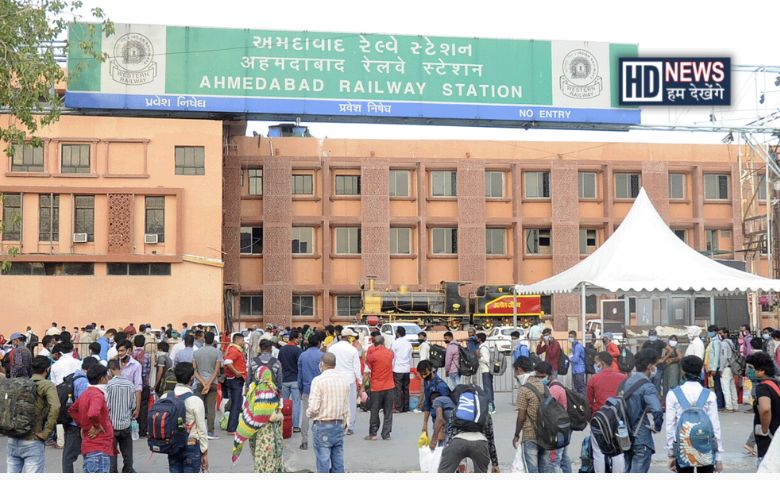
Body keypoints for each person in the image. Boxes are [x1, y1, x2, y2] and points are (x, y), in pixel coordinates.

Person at [664, 355, 723, 473]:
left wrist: (671, 453)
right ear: (701, 370)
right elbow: (715, 426)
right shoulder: (709, 395)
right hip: (706, 446)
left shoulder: (673, 394)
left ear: (682, 370)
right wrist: (719, 457)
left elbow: (670, 425)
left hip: (683, 447)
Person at [5, 355, 60, 473]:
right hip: (33, 439)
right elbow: (55, 407)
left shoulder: (20, 384)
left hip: (13, 437)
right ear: (47, 369)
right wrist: (46, 432)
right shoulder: (47, 385)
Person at [231, 365, 283, 473]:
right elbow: (272, 417)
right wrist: (281, 416)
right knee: (269, 462)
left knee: (258, 461)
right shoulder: (270, 390)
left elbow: (246, 410)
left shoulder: (252, 388)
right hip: (267, 434)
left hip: (254, 432)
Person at [306, 352, 350, 473]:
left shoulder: (318, 381)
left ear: (322, 364)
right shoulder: (344, 381)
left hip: (322, 425)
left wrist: (308, 414)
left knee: (323, 462)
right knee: (338, 461)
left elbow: (314, 407)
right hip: (338, 424)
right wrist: (346, 423)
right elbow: (346, 406)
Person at [622, 348, 664, 473]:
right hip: (641, 437)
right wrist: (657, 426)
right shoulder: (647, 386)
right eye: (655, 365)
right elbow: (657, 410)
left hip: (625, 436)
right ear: (650, 366)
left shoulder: (626, 382)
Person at [69, 364, 115, 473]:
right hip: (99, 446)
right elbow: (93, 413)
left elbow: (72, 410)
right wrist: (96, 426)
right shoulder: (97, 395)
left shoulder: (86, 393)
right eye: (107, 376)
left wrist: (83, 424)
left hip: (90, 445)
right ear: (102, 378)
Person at [586, 351, 627, 473]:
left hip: (599, 419)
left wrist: (591, 418)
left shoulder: (594, 379)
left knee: (598, 453)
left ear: (602, 363)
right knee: (619, 452)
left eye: (596, 363)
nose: (596, 365)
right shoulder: (623, 378)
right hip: (618, 419)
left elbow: (588, 402)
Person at [437, 394, 499, 473]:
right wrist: (495, 464)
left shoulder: (456, 410)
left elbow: (450, 434)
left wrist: (449, 453)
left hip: (457, 442)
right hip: (480, 444)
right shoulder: (485, 413)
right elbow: (490, 439)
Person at [167, 362, 209, 473]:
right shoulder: (195, 400)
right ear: (192, 377)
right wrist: (204, 452)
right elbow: (201, 428)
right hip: (191, 444)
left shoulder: (166, 396)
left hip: (172, 444)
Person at [514, 355, 552, 473]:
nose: (514, 375)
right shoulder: (544, 386)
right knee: (544, 470)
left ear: (519, 370)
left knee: (532, 471)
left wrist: (516, 434)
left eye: (515, 372)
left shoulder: (524, 389)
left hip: (530, 435)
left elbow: (521, 416)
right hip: (546, 435)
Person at [61, 356, 97, 472]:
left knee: (68, 453)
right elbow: (83, 405)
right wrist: (84, 425)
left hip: (70, 421)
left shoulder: (73, 376)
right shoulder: (83, 381)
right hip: (76, 424)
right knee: (70, 455)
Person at [746, 351, 780, 467]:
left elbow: (765, 409)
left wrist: (764, 429)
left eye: (752, 368)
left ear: (761, 371)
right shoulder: (777, 383)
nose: (749, 371)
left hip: (769, 439)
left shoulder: (763, 387)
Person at [328, 328, 362, 434]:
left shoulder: (332, 348)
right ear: (349, 337)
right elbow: (357, 368)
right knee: (350, 404)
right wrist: (360, 382)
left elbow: (328, 364)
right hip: (349, 380)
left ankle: (337, 424)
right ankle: (349, 426)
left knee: (336, 403)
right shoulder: (352, 350)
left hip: (335, 379)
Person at [106, 359, 136, 473]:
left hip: (112, 424)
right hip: (125, 423)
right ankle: (128, 469)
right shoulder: (130, 384)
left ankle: (113, 471)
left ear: (110, 370)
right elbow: (133, 405)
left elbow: (107, 405)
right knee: (127, 451)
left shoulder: (109, 385)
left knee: (112, 452)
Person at [540, 361, 571, 472]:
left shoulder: (554, 389)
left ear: (548, 375)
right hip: (564, 426)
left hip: (558, 429)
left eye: (542, 376)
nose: (540, 379)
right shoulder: (555, 384)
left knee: (555, 460)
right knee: (564, 458)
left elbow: (547, 407)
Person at [191, 331, 222, 439]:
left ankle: (198, 431)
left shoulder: (196, 353)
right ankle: (210, 432)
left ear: (204, 339)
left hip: (199, 383)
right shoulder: (217, 352)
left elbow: (194, 371)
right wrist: (208, 383)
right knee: (211, 408)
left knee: (199, 408)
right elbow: (216, 371)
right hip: (212, 383)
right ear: (213, 340)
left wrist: (203, 382)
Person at [298, 332, 324, 450]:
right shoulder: (322, 356)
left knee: (306, 415)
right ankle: (319, 440)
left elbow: (300, 375)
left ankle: (304, 441)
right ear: (318, 343)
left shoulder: (302, 356)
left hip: (307, 388)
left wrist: (300, 389)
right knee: (320, 415)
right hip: (321, 389)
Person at [365, 335, 394, 440]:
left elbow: (369, 365)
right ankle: (386, 434)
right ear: (383, 342)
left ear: (374, 343)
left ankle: (373, 433)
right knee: (388, 411)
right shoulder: (390, 353)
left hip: (376, 386)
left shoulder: (372, 355)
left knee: (374, 410)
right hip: (389, 385)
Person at [418, 359, 452, 439]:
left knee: (442, 444)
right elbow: (427, 405)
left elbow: (447, 408)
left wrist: (442, 429)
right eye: (421, 374)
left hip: (443, 421)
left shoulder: (441, 386)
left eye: (425, 374)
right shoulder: (427, 383)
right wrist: (425, 424)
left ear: (431, 370)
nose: (424, 376)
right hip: (435, 420)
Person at [278, 330, 303, 434]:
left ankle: (283, 425)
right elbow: (300, 366)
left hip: (284, 379)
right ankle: (296, 426)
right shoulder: (298, 351)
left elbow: (279, 365)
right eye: (299, 338)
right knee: (296, 403)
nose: (301, 339)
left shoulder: (282, 350)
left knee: (284, 403)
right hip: (295, 380)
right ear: (294, 338)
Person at [224, 333, 247, 434]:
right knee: (236, 404)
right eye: (242, 341)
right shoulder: (235, 350)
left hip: (233, 379)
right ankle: (232, 428)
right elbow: (227, 362)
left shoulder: (232, 349)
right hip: (235, 379)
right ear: (238, 340)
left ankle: (232, 426)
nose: (243, 343)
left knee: (236, 402)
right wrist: (236, 372)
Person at [116, 340, 143, 426]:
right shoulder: (115, 363)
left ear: (130, 351)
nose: (120, 353)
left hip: (128, 403)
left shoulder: (136, 365)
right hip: (115, 400)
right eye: (118, 351)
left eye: (122, 350)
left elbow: (138, 388)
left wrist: (137, 408)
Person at [391, 326, 412, 413]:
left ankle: (398, 407)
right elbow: (410, 357)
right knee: (406, 389)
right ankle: (406, 407)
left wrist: (392, 367)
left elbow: (393, 357)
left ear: (398, 333)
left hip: (397, 368)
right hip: (406, 369)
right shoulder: (408, 344)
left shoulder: (395, 343)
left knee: (398, 389)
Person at [717, 327, 739, 412]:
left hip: (726, 368)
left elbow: (723, 357)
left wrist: (721, 368)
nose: (720, 335)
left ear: (725, 333)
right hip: (732, 367)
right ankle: (735, 405)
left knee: (726, 388)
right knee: (732, 387)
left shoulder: (723, 344)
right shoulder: (731, 342)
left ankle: (729, 407)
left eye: (721, 333)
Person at [643, 329, 667, 394]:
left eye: (653, 335)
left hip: (658, 366)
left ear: (656, 335)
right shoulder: (646, 343)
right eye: (651, 335)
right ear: (648, 336)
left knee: (657, 384)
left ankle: (657, 400)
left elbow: (670, 350)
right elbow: (642, 353)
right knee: (648, 384)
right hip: (649, 367)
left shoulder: (660, 342)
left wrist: (663, 359)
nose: (652, 336)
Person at [706, 325, 725, 410]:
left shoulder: (716, 342)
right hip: (713, 367)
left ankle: (720, 404)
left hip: (716, 367)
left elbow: (717, 355)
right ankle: (720, 403)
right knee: (716, 386)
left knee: (718, 386)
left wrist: (714, 368)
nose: (709, 333)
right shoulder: (712, 341)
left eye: (711, 331)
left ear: (715, 332)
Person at [476, 332, 494, 411]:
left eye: (477, 338)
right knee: (489, 388)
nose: (476, 339)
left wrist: (479, 357)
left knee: (487, 389)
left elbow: (486, 359)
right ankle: (491, 405)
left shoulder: (483, 348)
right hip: (487, 370)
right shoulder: (484, 346)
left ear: (479, 339)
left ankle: (490, 407)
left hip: (486, 370)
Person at [569, 330, 586, 395]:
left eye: (572, 337)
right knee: (577, 388)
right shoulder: (573, 346)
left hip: (579, 369)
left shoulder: (578, 346)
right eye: (569, 336)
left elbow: (575, 359)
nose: (570, 338)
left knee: (580, 388)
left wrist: (570, 358)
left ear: (575, 337)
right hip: (575, 369)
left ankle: (584, 402)